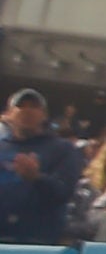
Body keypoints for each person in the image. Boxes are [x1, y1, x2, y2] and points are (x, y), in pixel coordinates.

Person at [0, 88, 79, 244]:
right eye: (21, 106)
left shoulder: (62, 149)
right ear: (8, 114)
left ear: (44, 115)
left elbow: (64, 192)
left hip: (40, 239)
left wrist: (36, 178)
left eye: (34, 106)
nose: (27, 111)